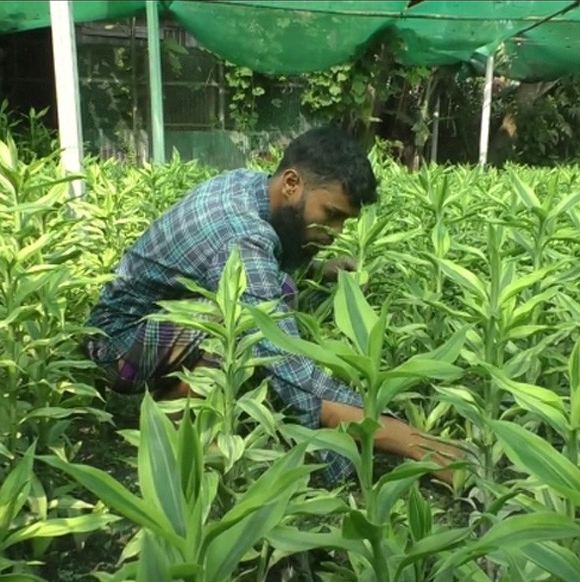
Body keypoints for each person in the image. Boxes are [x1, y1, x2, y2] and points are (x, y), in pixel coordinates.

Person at [84, 126, 461, 485]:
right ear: (292, 183)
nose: (336, 234)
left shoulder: (254, 187)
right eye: (331, 215)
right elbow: (289, 368)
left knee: (275, 288)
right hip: (118, 347)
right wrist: (412, 441)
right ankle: (181, 436)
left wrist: (318, 268)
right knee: (231, 323)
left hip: (153, 327)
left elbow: (269, 251)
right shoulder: (241, 236)